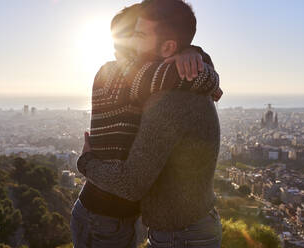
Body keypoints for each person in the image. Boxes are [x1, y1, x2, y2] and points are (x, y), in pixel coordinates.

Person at [71, 1, 222, 247]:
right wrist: (196, 60)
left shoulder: (154, 82)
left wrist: (191, 54)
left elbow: (181, 75)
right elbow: (187, 76)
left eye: (137, 35)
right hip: (101, 215)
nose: (124, 45)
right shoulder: (114, 74)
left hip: (128, 216)